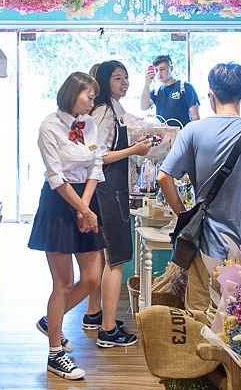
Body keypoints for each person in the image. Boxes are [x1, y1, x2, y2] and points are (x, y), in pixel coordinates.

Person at [157, 63, 241, 312]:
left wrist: (184, 214)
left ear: (210, 95)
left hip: (203, 247)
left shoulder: (192, 131)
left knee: (200, 319)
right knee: (240, 324)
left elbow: (163, 178)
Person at [27, 72, 106, 380]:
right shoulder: (49, 126)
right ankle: (55, 354)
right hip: (59, 205)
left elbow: (95, 165)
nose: (92, 101)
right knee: (63, 283)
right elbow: (56, 176)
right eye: (89, 96)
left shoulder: (89, 124)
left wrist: (86, 208)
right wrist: (82, 209)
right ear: (73, 95)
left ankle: (52, 320)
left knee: (91, 279)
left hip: (85, 201)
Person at [84, 60, 152, 348]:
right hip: (108, 191)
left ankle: (94, 315)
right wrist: (135, 150)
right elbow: (97, 157)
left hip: (109, 190)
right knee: (117, 259)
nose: (124, 83)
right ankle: (108, 331)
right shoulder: (104, 112)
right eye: (117, 78)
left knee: (102, 256)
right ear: (104, 81)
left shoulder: (114, 109)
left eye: (126, 77)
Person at [140, 54, 200, 127]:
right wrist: (147, 84)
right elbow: (144, 107)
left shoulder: (185, 87)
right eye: (156, 70)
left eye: (162, 69)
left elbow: (195, 117)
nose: (159, 73)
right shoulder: (156, 91)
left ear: (171, 68)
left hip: (182, 134)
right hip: (163, 135)